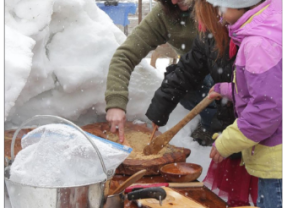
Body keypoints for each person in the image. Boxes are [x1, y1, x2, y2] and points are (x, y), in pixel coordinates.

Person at [146, 0, 259, 206]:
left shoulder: (258, 39)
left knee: (266, 195)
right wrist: (159, 110)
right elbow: (186, 71)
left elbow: (263, 101)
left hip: (259, 138)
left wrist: (236, 135)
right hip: (230, 130)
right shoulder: (209, 36)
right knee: (234, 199)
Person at [105, 0, 217, 144]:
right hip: (193, 70)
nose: (174, 1)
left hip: (233, 69)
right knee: (179, 80)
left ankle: (223, 125)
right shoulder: (164, 13)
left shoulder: (221, 7)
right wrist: (116, 103)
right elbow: (124, 55)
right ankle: (210, 124)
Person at [205, 0, 282, 207]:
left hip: (278, 163)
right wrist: (226, 89)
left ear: (242, 4)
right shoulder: (270, 27)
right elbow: (268, 89)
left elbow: (267, 110)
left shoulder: (259, 43)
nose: (218, 12)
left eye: (222, 6)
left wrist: (226, 142)